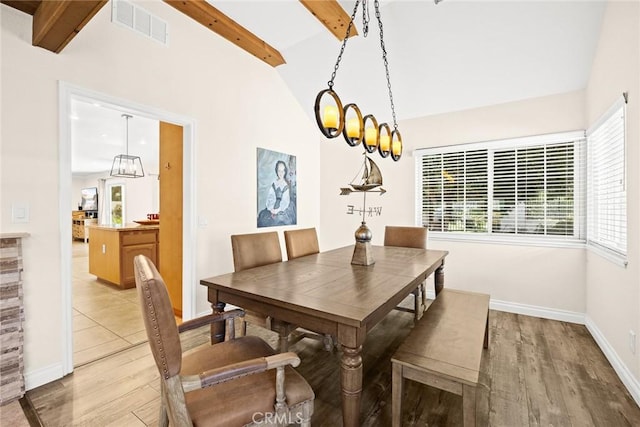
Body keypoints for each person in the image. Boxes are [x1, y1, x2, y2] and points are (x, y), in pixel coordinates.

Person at [257, 160, 296, 227]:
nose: (281, 173)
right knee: (263, 218)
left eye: (283, 171)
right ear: (276, 171)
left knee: (278, 220)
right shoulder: (274, 183)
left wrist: (278, 210)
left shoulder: (286, 185)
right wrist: (271, 208)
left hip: (282, 208)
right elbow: (270, 197)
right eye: (279, 171)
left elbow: (285, 202)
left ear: (285, 171)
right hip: (273, 207)